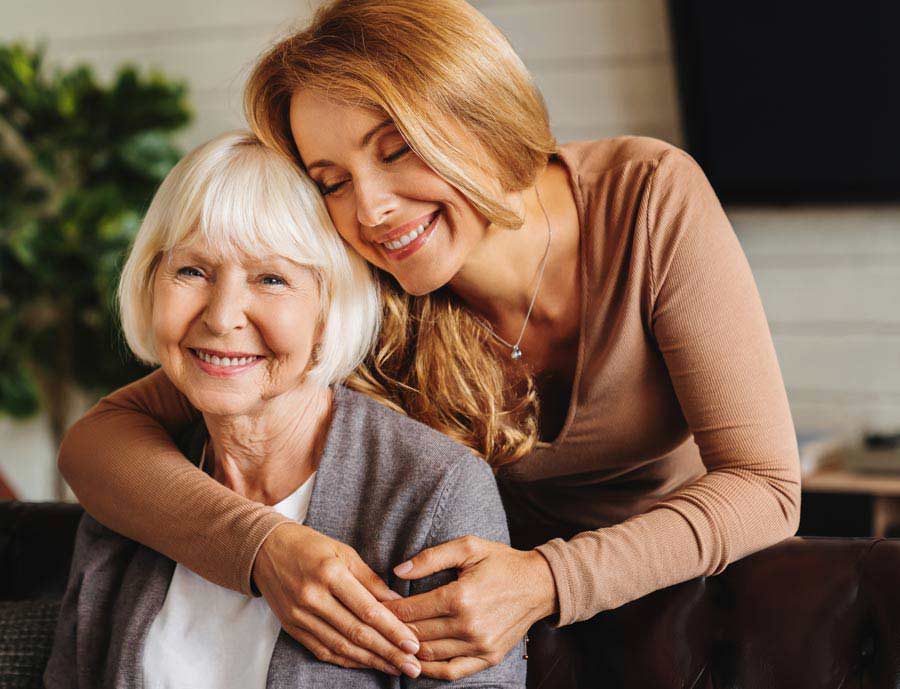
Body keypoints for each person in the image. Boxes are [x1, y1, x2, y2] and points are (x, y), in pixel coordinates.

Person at [57, 0, 802, 681]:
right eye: (331, 181)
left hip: (670, 601)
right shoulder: (369, 281)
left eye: (395, 149)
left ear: (475, 109)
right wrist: (264, 549)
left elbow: (766, 487)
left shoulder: (646, 198)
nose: (371, 210)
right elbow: (100, 442)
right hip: (467, 625)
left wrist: (545, 580)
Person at [44, 130, 526, 688]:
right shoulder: (132, 490)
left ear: (329, 306)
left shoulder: (433, 490)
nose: (222, 317)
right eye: (191, 271)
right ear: (150, 283)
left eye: (271, 278)